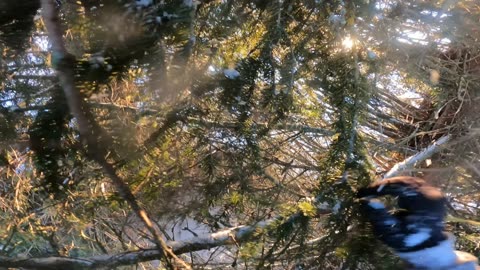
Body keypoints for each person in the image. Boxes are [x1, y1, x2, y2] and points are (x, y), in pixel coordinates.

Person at [357, 176, 479, 270]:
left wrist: (367, 196)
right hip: (427, 247)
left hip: (422, 247)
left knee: (429, 204)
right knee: (430, 203)